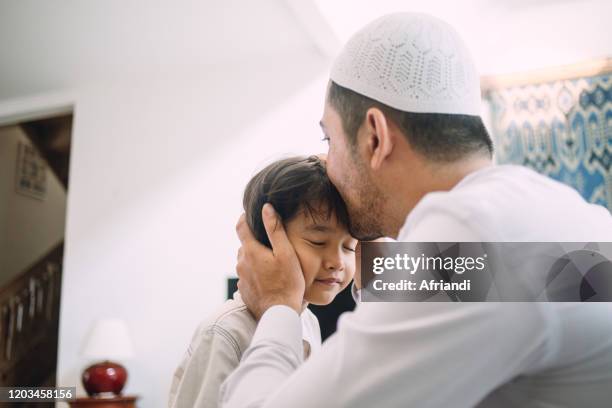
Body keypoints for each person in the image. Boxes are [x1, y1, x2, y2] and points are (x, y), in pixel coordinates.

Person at [220, 13, 612, 408]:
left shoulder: (466, 230)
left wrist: (279, 306)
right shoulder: (543, 212)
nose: (328, 164)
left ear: (376, 136)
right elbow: (512, 283)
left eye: (330, 139)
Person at [168, 156, 357, 408]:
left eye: (349, 246)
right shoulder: (226, 332)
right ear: (268, 242)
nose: (337, 261)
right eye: (318, 242)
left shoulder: (308, 322)